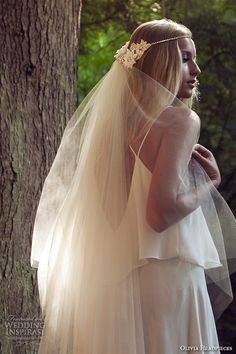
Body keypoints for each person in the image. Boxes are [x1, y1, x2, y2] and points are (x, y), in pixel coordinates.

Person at [31, 19, 236, 354]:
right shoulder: (181, 121)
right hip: (170, 277)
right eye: (185, 58)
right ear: (161, 63)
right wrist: (210, 183)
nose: (196, 69)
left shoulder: (112, 129)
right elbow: (160, 213)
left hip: (116, 288)